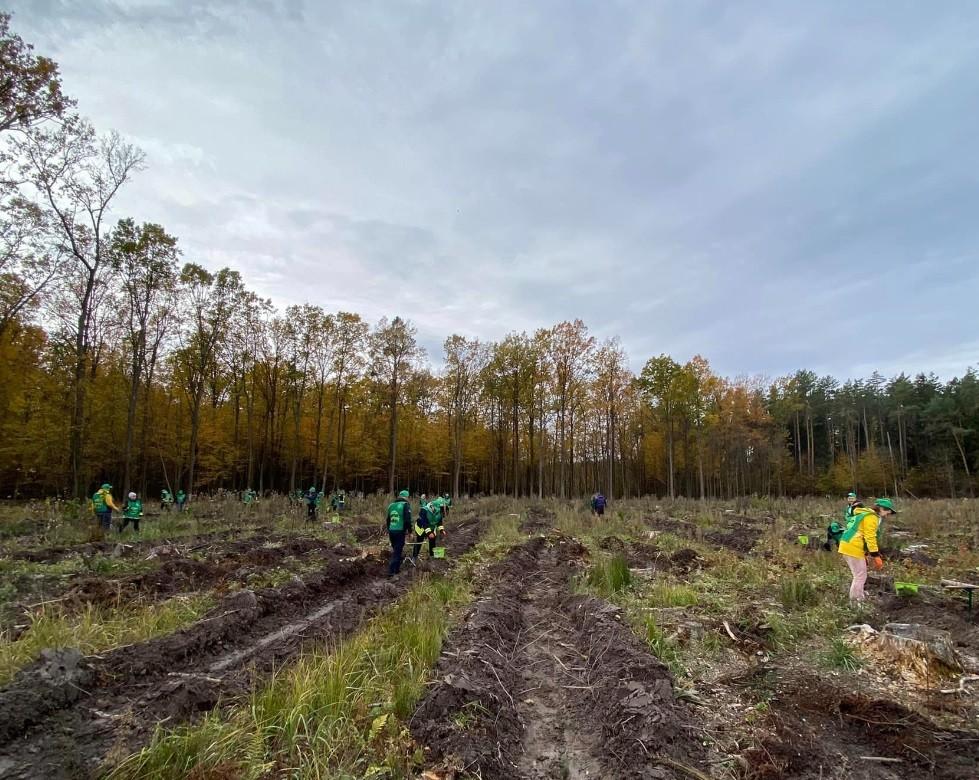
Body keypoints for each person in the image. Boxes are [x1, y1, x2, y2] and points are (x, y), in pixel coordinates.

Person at [838, 497, 897, 602]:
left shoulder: (864, 514)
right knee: (860, 575)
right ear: (881, 508)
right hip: (853, 546)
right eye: (888, 511)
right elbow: (870, 537)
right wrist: (875, 555)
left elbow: (860, 532)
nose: (889, 514)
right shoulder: (871, 517)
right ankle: (856, 602)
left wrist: (865, 553)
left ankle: (858, 597)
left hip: (848, 544)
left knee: (859, 574)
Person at [385, 489, 412, 576]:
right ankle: (391, 571)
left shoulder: (391, 505)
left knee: (396, 550)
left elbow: (388, 520)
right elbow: (407, 520)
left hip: (391, 531)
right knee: (397, 551)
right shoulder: (405, 505)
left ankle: (396, 569)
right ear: (406, 497)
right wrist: (410, 531)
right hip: (400, 531)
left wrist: (389, 529)